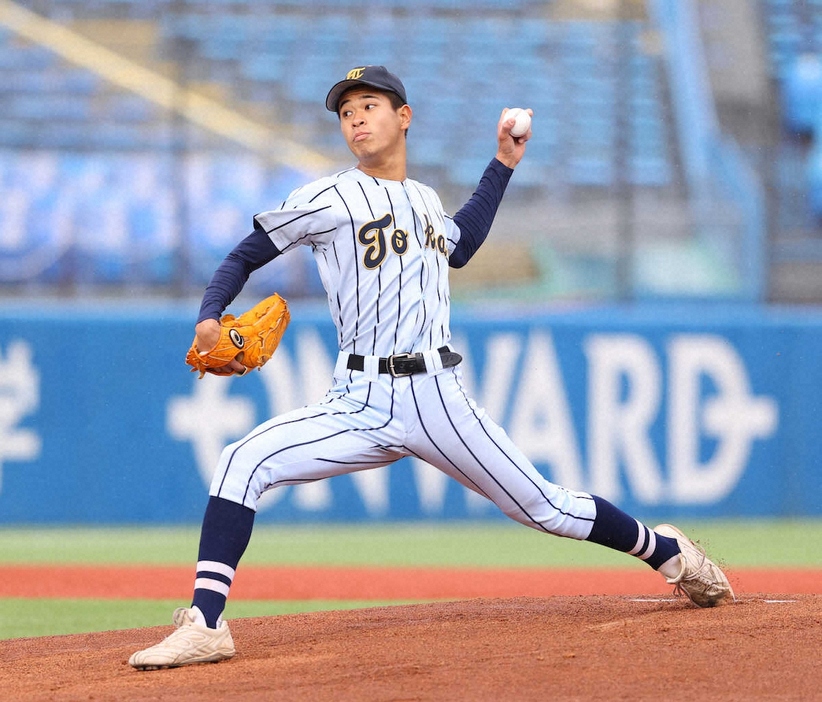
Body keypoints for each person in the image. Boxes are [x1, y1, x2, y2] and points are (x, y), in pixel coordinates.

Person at [129, 65, 733, 670]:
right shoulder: (328, 198)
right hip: (357, 399)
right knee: (241, 461)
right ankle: (206, 623)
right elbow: (247, 252)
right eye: (346, 112)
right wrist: (211, 314)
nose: (357, 118)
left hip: (434, 395)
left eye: (369, 105)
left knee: (548, 509)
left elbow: (461, 244)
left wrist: (503, 164)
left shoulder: (422, 200)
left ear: (404, 116)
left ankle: (666, 550)